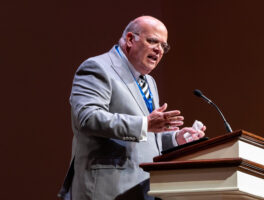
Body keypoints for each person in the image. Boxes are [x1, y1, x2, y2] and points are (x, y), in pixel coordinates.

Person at [58, 16, 206, 200]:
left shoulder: (149, 82)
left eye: (163, 46)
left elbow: (145, 138)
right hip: (106, 189)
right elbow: (87, 118)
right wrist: (145, 124)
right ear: (130, 39)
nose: (159, 50)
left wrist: (176, 139)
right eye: (152, 41)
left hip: (143, 190)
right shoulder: (97, 68)